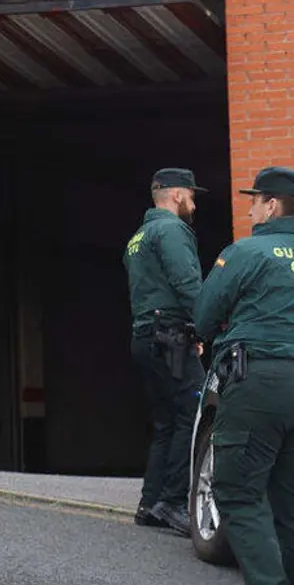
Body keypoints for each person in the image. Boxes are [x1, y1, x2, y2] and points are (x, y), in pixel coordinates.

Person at [193, 166, 294, 585]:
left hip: (262, 383)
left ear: (272, 205)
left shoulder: (246, 252)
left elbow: (204, 315)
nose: (250, 209)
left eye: (255, 201)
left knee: (236, 490)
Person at [123, 167, 208, 536]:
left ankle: (150, 503)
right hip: (170, 338)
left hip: (146, 337)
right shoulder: (172, 230)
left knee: (166, 422)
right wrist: (208, 323)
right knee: (191, 414)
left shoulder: (138, 236)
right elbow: (187, 283)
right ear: (176, 195)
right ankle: (173, 502)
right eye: (191, 196)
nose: (193, 204)